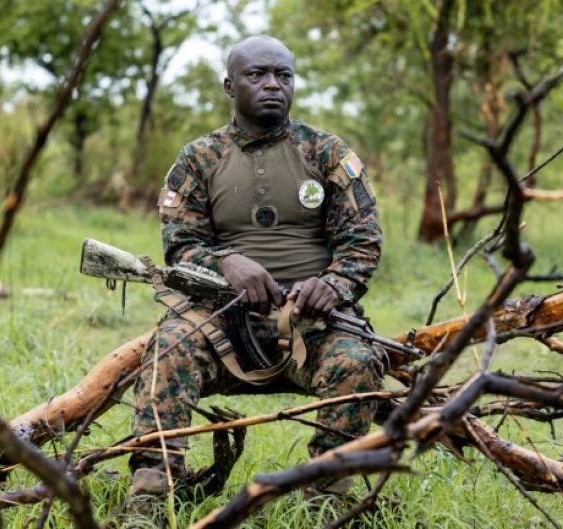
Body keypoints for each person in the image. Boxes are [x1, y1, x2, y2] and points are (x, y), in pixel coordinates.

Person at [124, 34, 385, 509]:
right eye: (257, 74)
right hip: (222, 320)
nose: (272, 85)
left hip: (313, 325)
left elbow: (362, 242)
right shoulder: (198, 158)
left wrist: (332, 285)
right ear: (230, 85)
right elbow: (181, 246)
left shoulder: (326, 153)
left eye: (283, 75)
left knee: (356, 361)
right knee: (169, 346)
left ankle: (329, 500)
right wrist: (225, 262)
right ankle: (150, 497)